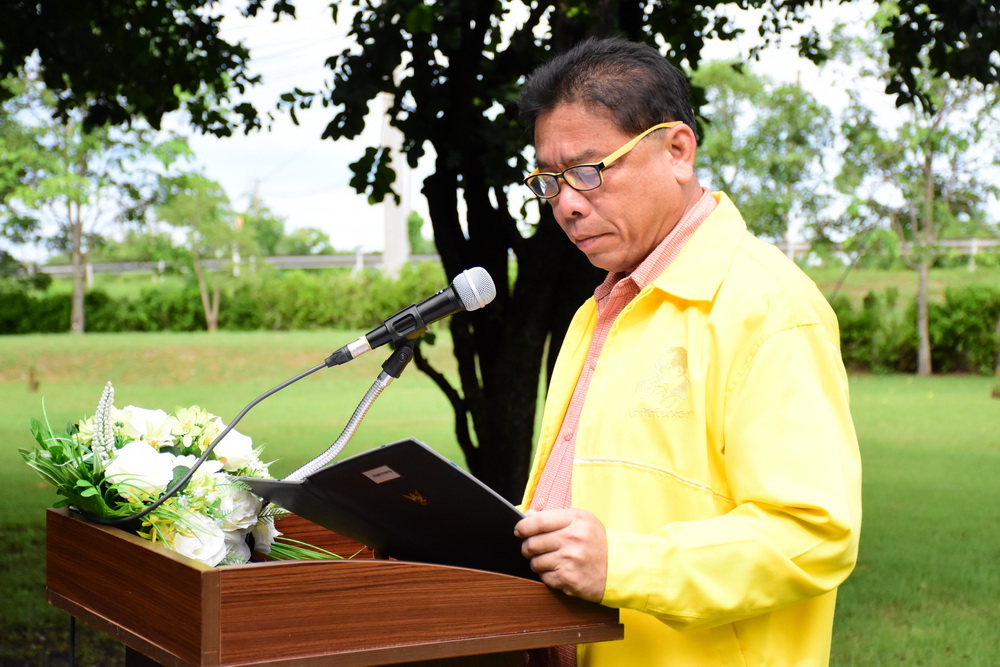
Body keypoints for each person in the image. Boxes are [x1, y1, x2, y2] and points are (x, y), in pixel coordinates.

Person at [512, 37, 862, 666]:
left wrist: (623, 565)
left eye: (589, 171)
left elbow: (814, 535)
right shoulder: (600, 309)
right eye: (549, 180)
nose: (566, 204)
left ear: (677, 150)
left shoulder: (770, 307)